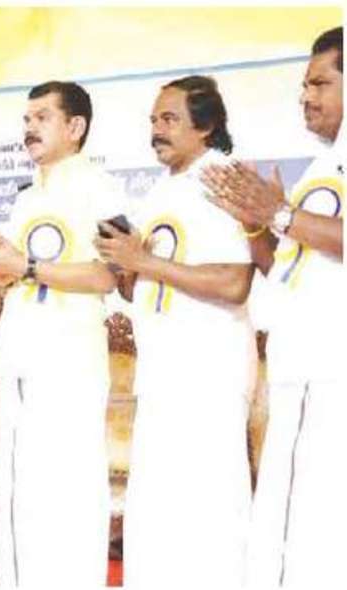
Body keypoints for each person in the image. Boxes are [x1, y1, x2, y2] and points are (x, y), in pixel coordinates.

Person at [95, 75, 255, 586]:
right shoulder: (162, 190)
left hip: (208, 373)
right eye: (153, 120)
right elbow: (143, 288)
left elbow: (233, 283)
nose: (156, 130)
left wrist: (143, 261)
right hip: (162, 373)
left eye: (169, 119)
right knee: (157, 515)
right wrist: (124, 265)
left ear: (205, 126)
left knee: (208, 514)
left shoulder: (223, 180)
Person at [0, 80, 120, 587]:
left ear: (76, 126)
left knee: (64, 494)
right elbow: (18, 277)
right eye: (27, 119)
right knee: (19, 493)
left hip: (68, 360)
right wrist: (0, 267)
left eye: (42, 118)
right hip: (20, 355)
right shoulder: (28, 198)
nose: (29, 128)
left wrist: (26, 266)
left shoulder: (99, 188)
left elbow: (108, 276)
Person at [202, 26, 343, 587]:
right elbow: (282, 267)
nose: (306, 96)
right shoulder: (323, 167)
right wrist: (255, 223)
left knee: (316, 531)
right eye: (304, 85)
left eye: (320, 83)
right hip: (298, 370)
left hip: (332, 370)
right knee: (286, 526)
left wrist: (280, 214)